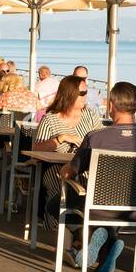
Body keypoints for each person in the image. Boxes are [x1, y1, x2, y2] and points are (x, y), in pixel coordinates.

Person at [57, 82, 136, 272]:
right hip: (134, 209)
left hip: (98, 207)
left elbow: (70, 172)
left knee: (54, 203)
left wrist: (64, 171)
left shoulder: (96, 137)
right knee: (106, 215)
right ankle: (107, 245)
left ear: (111, 105)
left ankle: (89, 239)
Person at [35, 74, 103, 227]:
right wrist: (61, 138)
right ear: (70, 94)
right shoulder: (50, 119)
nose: (86, 96)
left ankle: (82, 233)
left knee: (95, 189)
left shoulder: (90, 116)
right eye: (83, 93)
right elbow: (36, 148)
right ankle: (77, 232)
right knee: (62, 189)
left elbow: (101, 142)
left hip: (84, 167)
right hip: (56, 168)